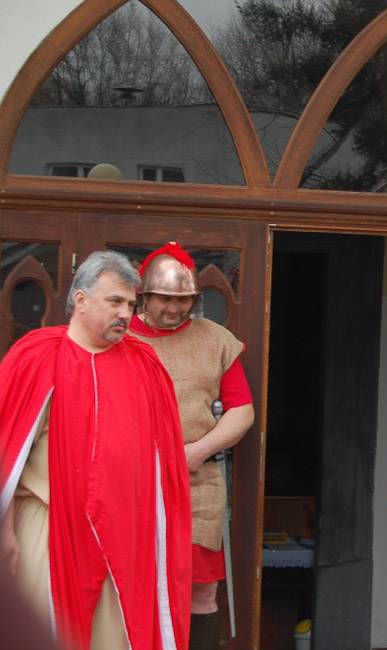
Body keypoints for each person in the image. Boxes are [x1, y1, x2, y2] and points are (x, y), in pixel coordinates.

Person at [0, 250, 191, 650]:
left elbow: (162, 464)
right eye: (115, 301)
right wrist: (5, 532)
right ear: (81, 300)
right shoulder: (36, 357)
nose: (125, 314)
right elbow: (7, 453)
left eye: (131, 305)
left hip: (124, 537)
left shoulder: (144, 365)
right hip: (46, 528)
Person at [129, 242, 254, 650]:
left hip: (195, 485)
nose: (174, 309)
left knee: (201, 593)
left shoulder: (215, 340)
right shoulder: (120, 337)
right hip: (131, 484)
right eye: (164, 299)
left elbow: (241, 410)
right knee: (134, 586)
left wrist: (197, 451)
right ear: (144, 296)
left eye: (183, 300)